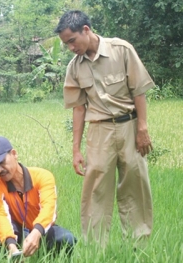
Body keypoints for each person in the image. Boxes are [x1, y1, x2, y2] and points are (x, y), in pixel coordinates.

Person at [54, 10, 154, 246]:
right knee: (95, 190)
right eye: (66, 44)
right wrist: (76, 150)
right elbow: (78, 109)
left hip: (129, 125)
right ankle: (95, 248)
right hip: (99, 131)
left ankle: (138, 246)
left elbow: (138, 90)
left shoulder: (121, 50)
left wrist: (142, 128)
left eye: (72, 40)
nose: (70, 47)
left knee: (135, 185)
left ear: (86, 30)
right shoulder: (74, 67)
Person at [0, 136, 76, 259]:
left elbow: (49, 209)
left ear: (14, 154)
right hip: (15, 231)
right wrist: (11, 245)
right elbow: (0, 216)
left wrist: (36, 232)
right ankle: (8, 257)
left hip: (41, 230)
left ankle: (47, 258)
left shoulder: (43, 176)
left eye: (2, 162)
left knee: (67, 239)